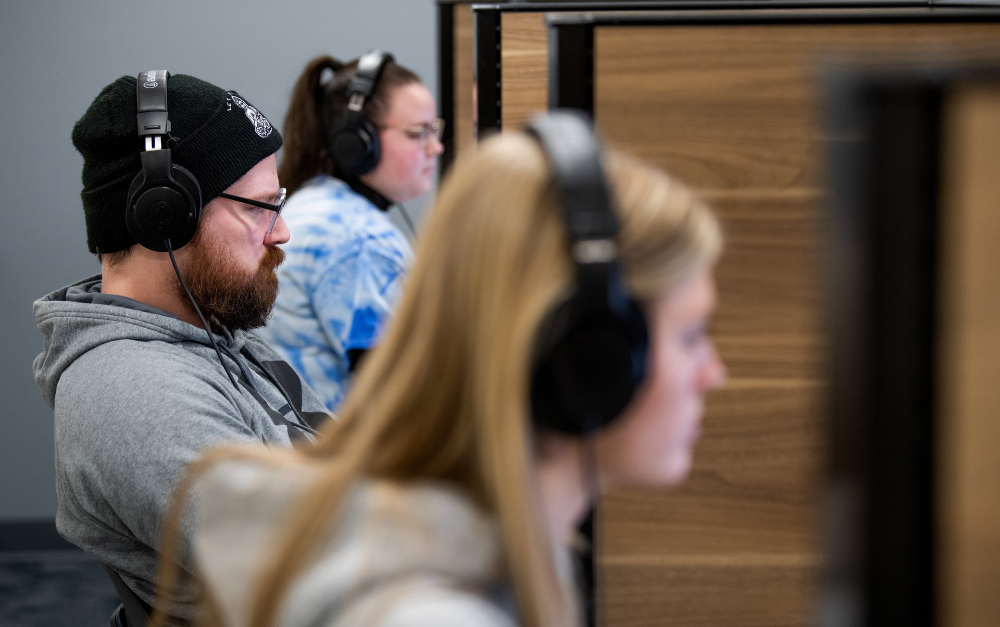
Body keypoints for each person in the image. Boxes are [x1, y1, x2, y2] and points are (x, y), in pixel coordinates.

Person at [154, 112, 725, 627]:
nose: (713, 374)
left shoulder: (521, 540)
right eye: (691, 336)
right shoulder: (432, 613)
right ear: (592, 359)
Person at [32, 70, 330, 623]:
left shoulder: (214, 338)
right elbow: (325, 575)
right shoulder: (134, 392)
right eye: (259, 206)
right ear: (164, 216)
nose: (282, 231)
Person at [257, 50, 444, 412]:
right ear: (357, 143)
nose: (436, 147)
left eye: (435, 129)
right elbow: (409, 395)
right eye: (418, 132)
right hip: (342, 455)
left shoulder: (320, 204)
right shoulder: (356, 239)